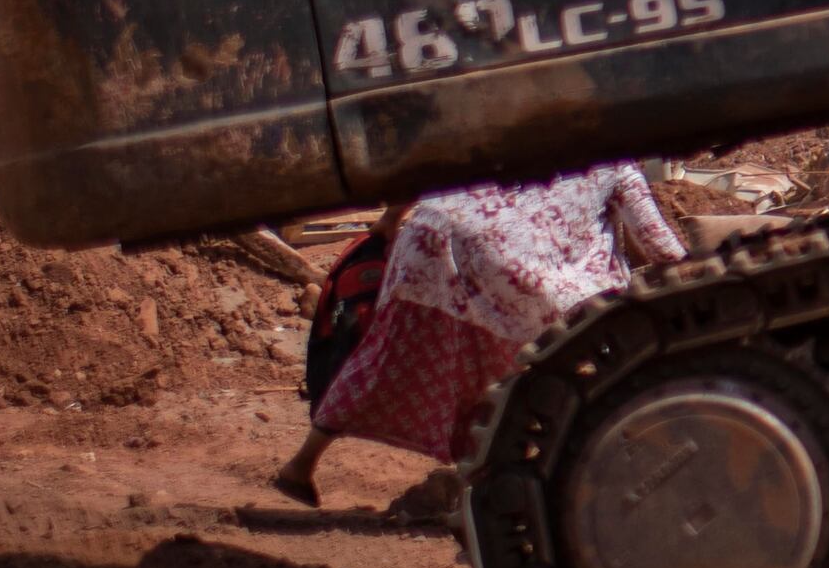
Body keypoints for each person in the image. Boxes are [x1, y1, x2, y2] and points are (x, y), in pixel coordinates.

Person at [273, 162, 696, 506]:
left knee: (388, 358)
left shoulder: (516, 125)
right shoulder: (617, 163)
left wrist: (388, 222)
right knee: (554, 376)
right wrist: (702, 269)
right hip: (519, 269)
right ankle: (503, 486)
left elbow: (431, 160)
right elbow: (660, 246)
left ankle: (302, 465)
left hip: (429, 243)